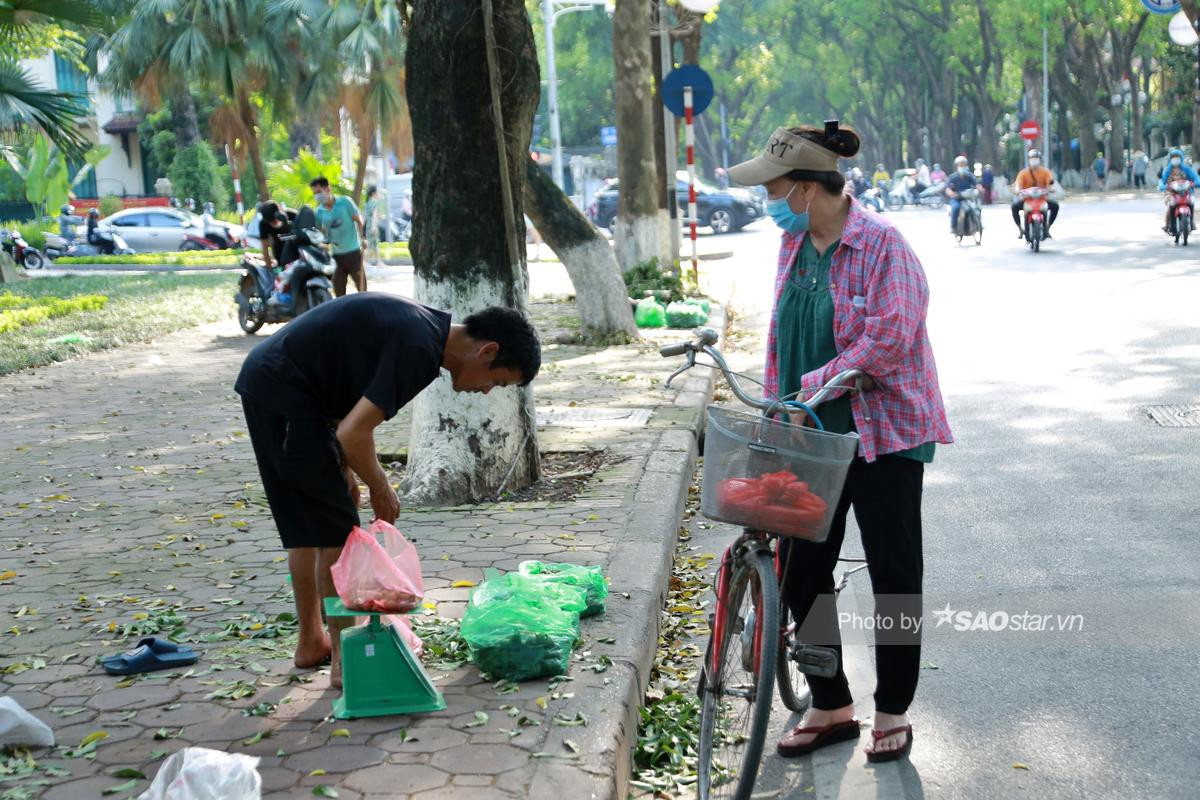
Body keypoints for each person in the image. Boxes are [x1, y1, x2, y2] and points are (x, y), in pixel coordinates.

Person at [727, 120, 953, 763]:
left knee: (895, 577)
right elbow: (784, 334)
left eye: (773, 189)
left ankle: (893, 709)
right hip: (808, 438)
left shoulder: (885, 246)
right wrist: (778, 407)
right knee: (802, 574)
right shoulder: (793, 248)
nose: (768, 202)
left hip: (883, 437)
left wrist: (813, 387)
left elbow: (888, 341)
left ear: (805, 188)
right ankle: (831, 702)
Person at [234, 296, 541, 686]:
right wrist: (381, 488)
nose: (486, 391)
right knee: (336, 533)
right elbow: (353, 431)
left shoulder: (424, 332)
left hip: (283, 388)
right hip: (286, 392)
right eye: (496, 381)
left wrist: (345, 468)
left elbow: (348, 407)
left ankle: (312, 641)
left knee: (314, 523)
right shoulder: (419, 348)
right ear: (488, 350)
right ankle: (345, 661)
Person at [311, 176, 367, 297]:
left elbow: (359, 219)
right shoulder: (319, 212)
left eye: (319, 192)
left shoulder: (345, 202)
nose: (317, 196)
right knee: (339, 291)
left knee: (362, 290)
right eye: (315, 193)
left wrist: (364, 237)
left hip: (354, 254)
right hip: (336, 257)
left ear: (328, 189)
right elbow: (319, 233)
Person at [1011, 149, 1059, 238]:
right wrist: (1018, 190)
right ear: (1029, 160)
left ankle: (1047, 228)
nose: (1034, 160)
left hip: (1042, 199)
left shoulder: (1045, 172)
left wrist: (1051, 189)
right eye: (1032, 158)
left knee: (1055, 206)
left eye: (1036, 158)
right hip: (1027, 199)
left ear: (1040, 160)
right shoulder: (1023, 173)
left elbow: (1050, 182)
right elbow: (1018, 184)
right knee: (1014, 207)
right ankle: (1021, 229)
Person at [1157, 148, 1198, 233]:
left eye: (1177, 157)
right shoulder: (1167, 170)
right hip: (1171, 192)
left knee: (1191, 202)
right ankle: (1169, 225)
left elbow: (1195, 177)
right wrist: (1162, 186)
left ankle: (1191, 221)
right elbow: (1162, 181)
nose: (1175, 159)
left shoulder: (1186, 169)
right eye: (1173, 157)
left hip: (1186, 192)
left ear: (1181, 158)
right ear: (1170, 159)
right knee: (1170, 206)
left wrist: (1197, 182)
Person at [945, 156, 976, 234]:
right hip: (956, 198)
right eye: (960, 165)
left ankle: (978, 225)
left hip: (968, 198)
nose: (962, 167)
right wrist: (951, 193)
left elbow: (976, 185)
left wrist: (980, 189)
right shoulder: (952, 177)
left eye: (963, 165)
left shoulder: (970, 176)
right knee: (955, 208)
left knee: (976, 208)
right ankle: (953, 227)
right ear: (957, 166)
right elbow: (948, 188)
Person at [361, 186, 382, 267]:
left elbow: (364, 216)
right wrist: (374, 226)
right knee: (371, 245)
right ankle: (364, 262)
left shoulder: (367, 203)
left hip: (368, 226)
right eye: (377, 192)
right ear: (374, 193)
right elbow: (374, 215)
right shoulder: (374, 202)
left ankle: (379, 262)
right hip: (372, 226)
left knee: (374, 244)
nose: (378, 194)